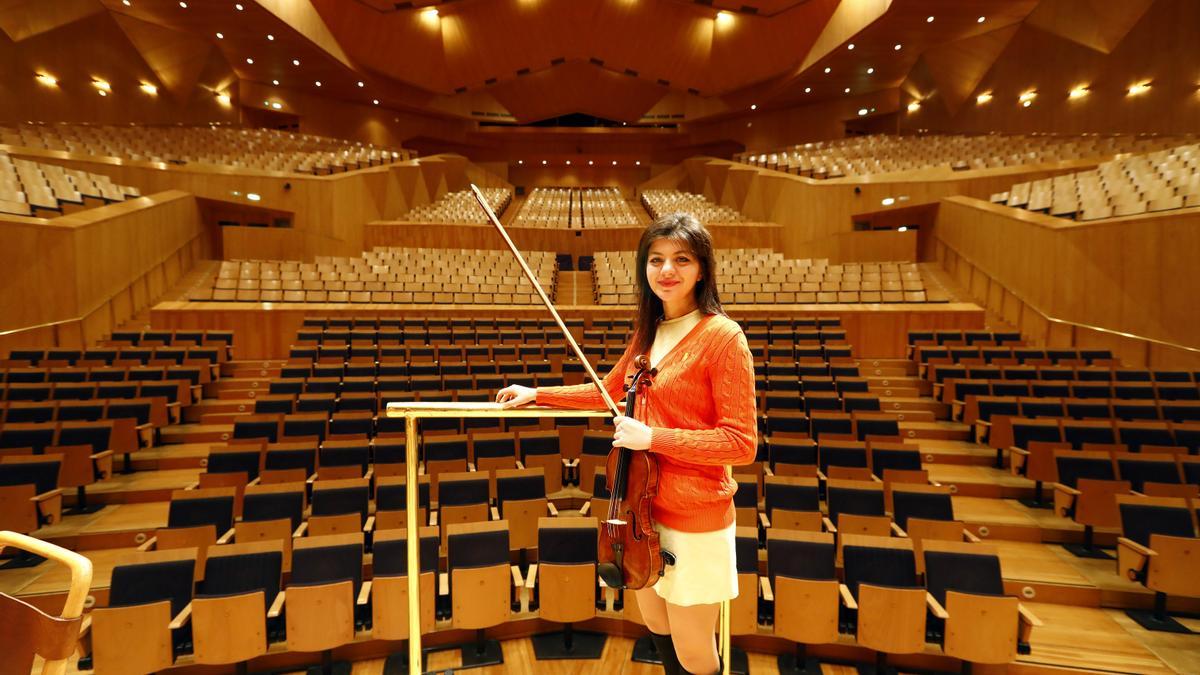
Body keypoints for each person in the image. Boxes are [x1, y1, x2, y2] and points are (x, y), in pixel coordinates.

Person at [496, 212, 757, 674]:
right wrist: (537, 394)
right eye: (655, 260)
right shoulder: (648, 332)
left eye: (681, 259)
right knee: (656, 624)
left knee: (695, 651)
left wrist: (653, 437)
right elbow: (608, 390)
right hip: (643, 513)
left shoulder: (723, 337)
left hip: (695, 517)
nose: (666, 271)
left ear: (701, 269)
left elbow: (740, 443)